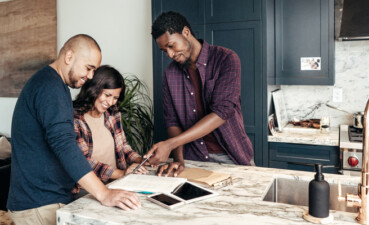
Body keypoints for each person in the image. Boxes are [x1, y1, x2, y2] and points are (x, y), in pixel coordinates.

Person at [7, 34, 140, 225]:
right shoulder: (50, 87)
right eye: (89, 68)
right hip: (40, 205)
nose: (91, 76)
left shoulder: (50, 84)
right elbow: (65, 145)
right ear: (69, 57)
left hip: (41, 201)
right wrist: (104, 193)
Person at [145, 11, 254, 176]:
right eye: (164, 51)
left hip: (232, 156)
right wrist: (179, 160)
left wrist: (170, 144)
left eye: (171, 45)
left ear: (186, 33)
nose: (170, 55)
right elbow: (173, 122)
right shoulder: (170, 74)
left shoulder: (226, 59)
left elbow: (221, 112)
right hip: (193, 159)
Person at [72, 65, 148, 196]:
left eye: (115, 98)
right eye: (107, 95)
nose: (110, 102)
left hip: (116, 185)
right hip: (88, 191)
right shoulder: (74, 119)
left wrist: (140, 160)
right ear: (93, 89)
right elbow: (83, 162)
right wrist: (121, 173)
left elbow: (123, 146)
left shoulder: (112, 114)